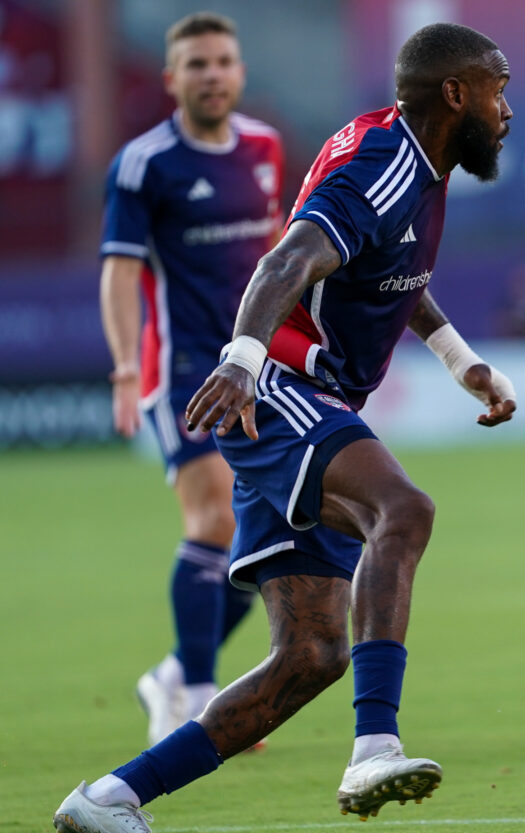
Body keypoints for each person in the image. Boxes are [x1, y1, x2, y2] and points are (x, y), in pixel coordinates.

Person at [53, 21, 516, 833]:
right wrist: (241, 361)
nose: (507, 107)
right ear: (456, 94)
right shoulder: (384, 163)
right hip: (280, 391)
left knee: (310, 654)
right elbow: (286, 260)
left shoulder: (410, 160)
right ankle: (375, 746)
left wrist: (461, 360)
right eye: (499, 87)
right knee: (403, 510)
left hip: (294, 394)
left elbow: (394, 274)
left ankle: (109, 799)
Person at [99, 12, 284, 745]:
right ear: (172, 77)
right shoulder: (146, 164)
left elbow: (277, 259)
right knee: (212, 520)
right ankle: (206, 700)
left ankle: (175, 672)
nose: (212, 73)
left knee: (268, 535)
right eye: (197, 64)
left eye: (223, 61)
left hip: (258, 367)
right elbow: (119, 270)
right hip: (179, 370)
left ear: (239, 71)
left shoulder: (266, 148)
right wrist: (120, 369)